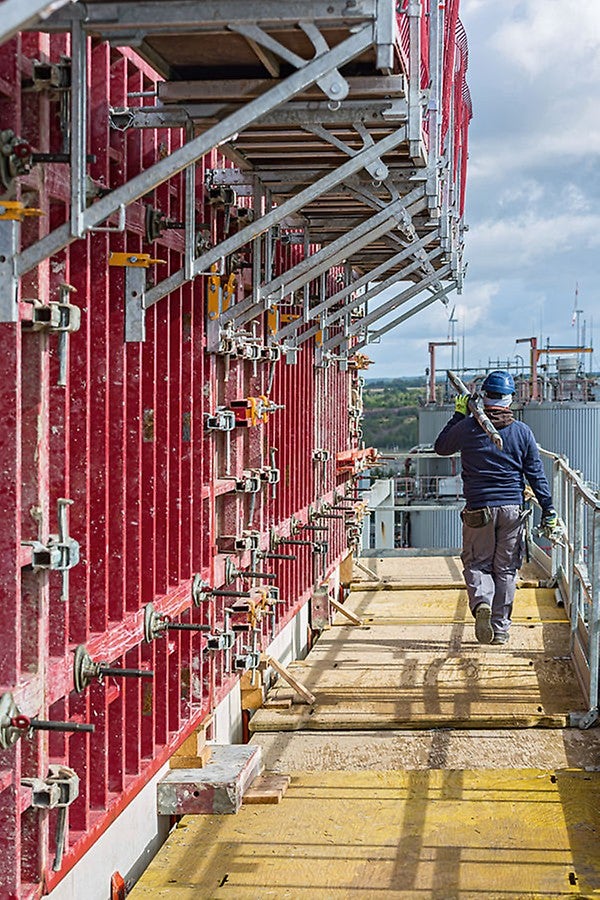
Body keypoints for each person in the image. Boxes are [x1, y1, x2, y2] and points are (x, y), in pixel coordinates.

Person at [434, 371, 557, 645]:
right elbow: (536, 474)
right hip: (512, 509)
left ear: (483, 396)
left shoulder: (468, 427)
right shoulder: (522, 432)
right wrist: (548, 508)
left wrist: (458, 414)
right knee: (505, 568)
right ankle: (500, 629)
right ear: (509, 399)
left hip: (479, 508)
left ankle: (481, 605)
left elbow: (441, 447)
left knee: (477, 563)